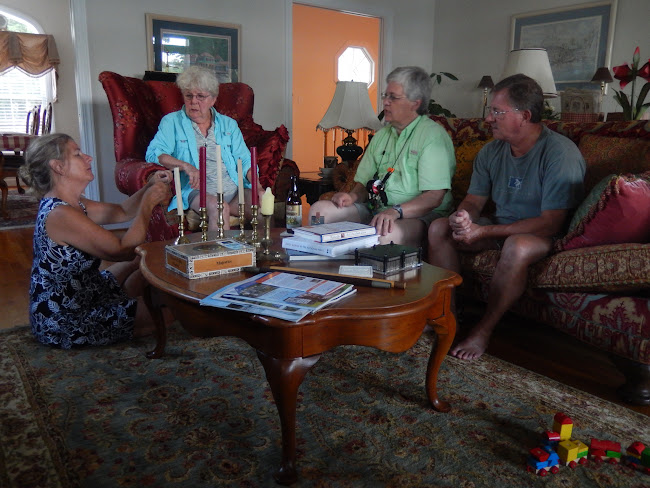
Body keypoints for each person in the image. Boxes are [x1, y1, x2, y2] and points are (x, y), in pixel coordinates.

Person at [427, 74, 586, 360]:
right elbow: (475, 200)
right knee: (439, 228)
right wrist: (464, 217)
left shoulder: (560, 154)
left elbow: (551, 223)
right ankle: (447, 318)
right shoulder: (491, 151)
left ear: (524, 116)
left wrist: (482, 232)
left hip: (544, 234)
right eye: (491, 111)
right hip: (501, 226)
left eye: (497, 112)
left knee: (517, 245)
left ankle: (484, 330)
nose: (488, 119)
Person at [20, 133, 172, 348]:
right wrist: (148, 204)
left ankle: (132, 308)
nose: (88, 158)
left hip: (88, 292)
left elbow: (121, 211)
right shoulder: (60, 214)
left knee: (143, 259)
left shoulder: (71, 203)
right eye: (77, 154)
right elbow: (123, 250)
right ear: (58, 167)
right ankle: (136, 314)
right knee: (173, 310)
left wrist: (149, 186)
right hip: (67, 319)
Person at [308, 66, 456, 248]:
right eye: (385, 96)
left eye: (393, 97)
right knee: (319, 211)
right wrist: (352, 197)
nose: (385, 102)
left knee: (383, 234)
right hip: (378, 210)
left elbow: (434, 197)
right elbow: (363, 185)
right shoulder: (381, 135)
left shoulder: (432, 136)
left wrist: (396, 211)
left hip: (420, 215)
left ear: (415, 103)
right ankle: (322, 264)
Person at [146, 65, 262, 231]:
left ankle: (263, 248)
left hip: (235, 191)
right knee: (220, 209)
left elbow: (244, 160)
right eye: (189, 95)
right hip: (198, 193)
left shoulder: (228, 124)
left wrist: (258, 187)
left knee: (262, 207)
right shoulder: (171, 122)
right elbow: (154, 153)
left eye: (200, 96)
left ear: (213, 99)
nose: (194, 101)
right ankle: (220, 249)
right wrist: (185, 166)